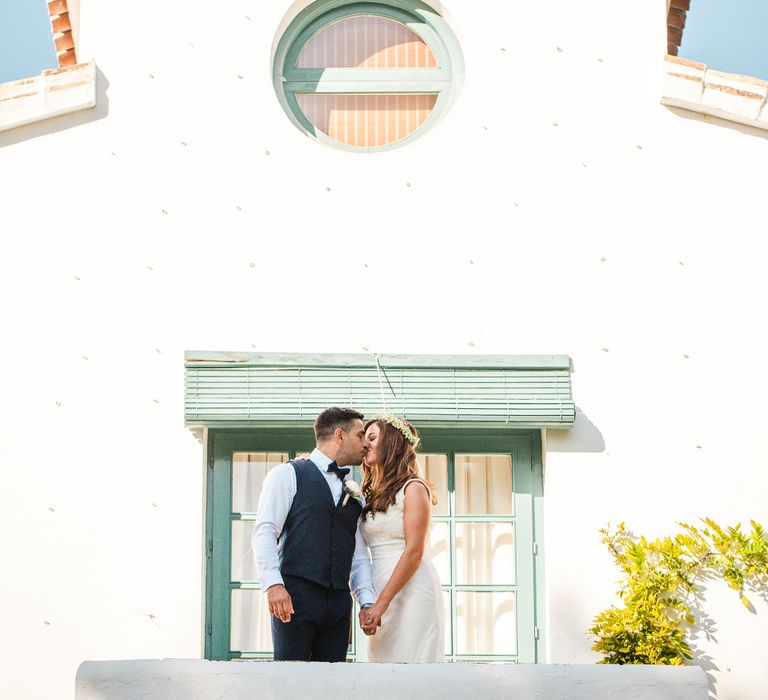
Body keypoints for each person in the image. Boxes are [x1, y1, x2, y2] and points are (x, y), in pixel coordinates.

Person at [252, 407, 376, 661]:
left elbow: (358, 555)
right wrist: (274, 585)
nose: (365, 443)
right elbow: (265, 531)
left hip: (339, 604)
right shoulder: (287, 474)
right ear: (340, 436)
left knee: (332, 686)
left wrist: (365, 601)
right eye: (360, 435)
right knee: (289, 680)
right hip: (295, 598)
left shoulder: (354, 493)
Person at [358, 413, 444, 662]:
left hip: (412, 591)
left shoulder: (414, 488)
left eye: (372, 438)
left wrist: (380, 605)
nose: (366, 445)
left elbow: (414, 551)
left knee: (413, 665)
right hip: (380, 587)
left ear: (392, 443)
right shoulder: (371, 496)